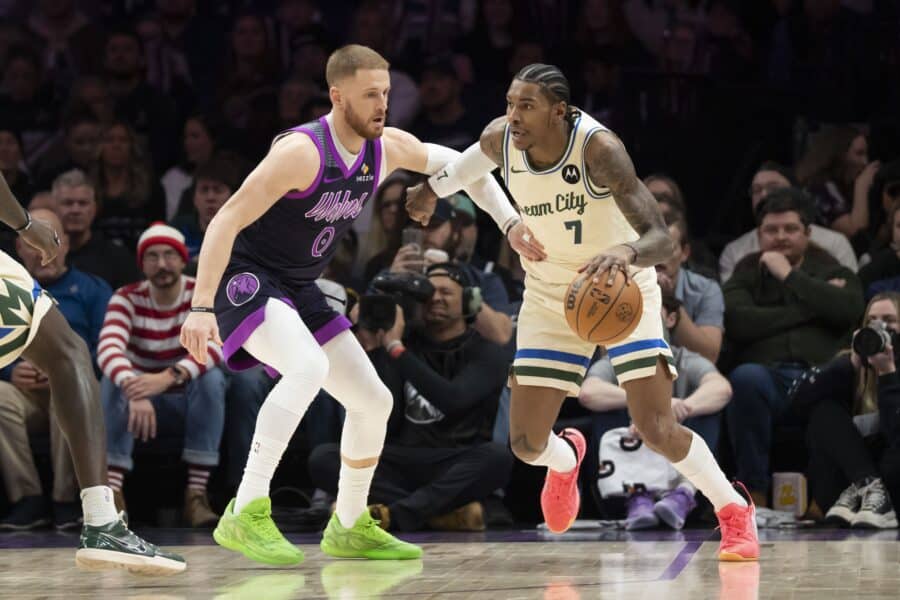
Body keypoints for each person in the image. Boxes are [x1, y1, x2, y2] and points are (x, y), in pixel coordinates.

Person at [179, 44, 518, 565]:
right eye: (369, 95)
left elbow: (461, 163)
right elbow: (224, 219)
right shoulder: (301, 152)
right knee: (308, 366)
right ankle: (245, 510)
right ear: (338, 97)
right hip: (245, 279)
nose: (382, 105)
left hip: (299, 286)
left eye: (385, 93)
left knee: (372, 400)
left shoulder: (386, 148)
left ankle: (351, 522)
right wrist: (201, 307)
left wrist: (511, 221)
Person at [405, 62, 759, 561]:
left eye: (526, 106)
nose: (514, 116)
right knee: (526, 444)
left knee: (656, 427)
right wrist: (427, 192)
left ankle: (732, 510)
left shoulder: (599, 149)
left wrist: (627, 253)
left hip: (620, 288)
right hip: (551, 293)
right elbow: (466, 169)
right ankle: (567, 457)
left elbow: (662, 240)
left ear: (560, 112)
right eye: (509, 104)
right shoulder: (501, 138)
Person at [0, 172, 184, 573]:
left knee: (72, 355)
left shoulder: (92, 285)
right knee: (68, 353)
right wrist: (27, 224)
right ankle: (102, 521)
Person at [309, 263, 514, 532]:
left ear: (468, 300)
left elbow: (454, 400)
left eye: (446, 292)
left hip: (454, 459)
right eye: (429, 292)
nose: (436, 298)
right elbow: (380, 413)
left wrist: (396, 350)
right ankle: (435, 512)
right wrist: (371, 350)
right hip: (401, 460)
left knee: (498, 459)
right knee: (324, 457)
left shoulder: (487, 353)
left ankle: (397, 513)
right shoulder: (403, 342)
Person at [723, 189, 865, 507]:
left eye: (790, 229)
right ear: (759, 235)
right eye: (771, 230)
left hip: (819, 374)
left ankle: (823, 498)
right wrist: (814, 306)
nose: (781, 237)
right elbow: (738, 322)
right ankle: (753, 495)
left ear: (808, 234)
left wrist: (788, 277)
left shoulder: (836, 273)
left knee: (832, 381)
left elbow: (850, 309)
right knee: (745, 378)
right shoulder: (743, 278)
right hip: (767, 379)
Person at [98, 224, 226, 528]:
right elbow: (107, 349)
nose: (162, 264)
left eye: (170, 255)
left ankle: (196, 496)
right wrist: (135, 388)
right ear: (142, 264)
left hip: (184, 399)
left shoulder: (201, 294)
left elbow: (217, 346)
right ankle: (112, 495)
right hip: (138, 403)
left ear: (183, 260)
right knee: (112, 380)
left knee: (211, 378)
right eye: (152, 257)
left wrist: (169, 377)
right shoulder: (126, 298)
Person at [579, 294, 732, 530]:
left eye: (649, 309)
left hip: (679, 477)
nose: (642, 317)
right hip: (627, 473)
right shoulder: (615, 360)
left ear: (670, 319)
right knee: (607, 410)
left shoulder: (685, 359)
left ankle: (684, 494)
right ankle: (637, 498)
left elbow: (721, 388)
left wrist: (682, 407)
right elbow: (588, 392)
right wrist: (647, 407)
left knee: (706, 411)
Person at [0, 209, 111, 531]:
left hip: (55, 390)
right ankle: (32, 500)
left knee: (71, 376)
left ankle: (67, 500)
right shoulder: (15, 274)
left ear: (62, 243)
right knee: (66, 363)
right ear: (20, 245)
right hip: (19, 389)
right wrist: (10, 373)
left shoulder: (91, 288)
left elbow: (105, 346)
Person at [791, 292, 900, 529]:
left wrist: (889, 375)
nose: (879, 327)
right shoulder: (847, 365)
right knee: (823, 409)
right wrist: (849, 365)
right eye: (871, 320)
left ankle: (878, 496)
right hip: (848, 493)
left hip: (895, 485)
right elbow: (797, 405)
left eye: (889, 320)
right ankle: (867, 485)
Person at [719, 162, 858, 282]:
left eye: (773, 188)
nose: (763, 195)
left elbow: (850, 296)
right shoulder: (735, 251)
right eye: (756, 190)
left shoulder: (835, 242)